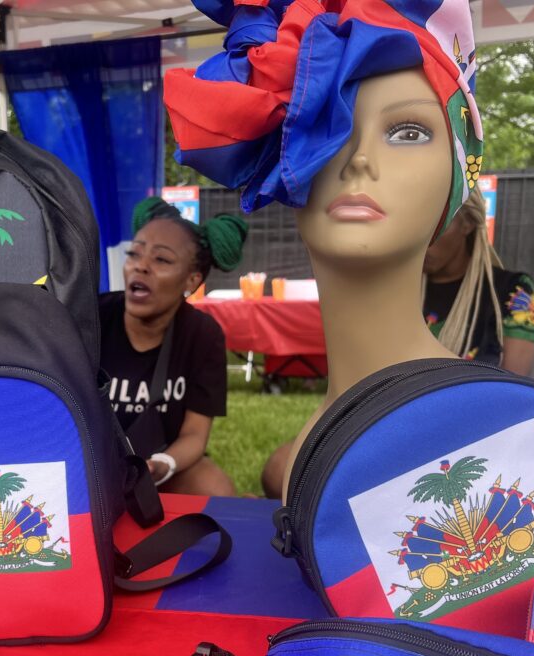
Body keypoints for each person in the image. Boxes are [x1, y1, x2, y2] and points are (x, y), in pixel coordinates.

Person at [165, 1, 486, 500]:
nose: (358, 159)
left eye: (407, 131)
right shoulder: (315, 446)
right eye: (326, 126)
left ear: (455, 172)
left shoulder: (483, 437)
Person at [99, 197, 246, 496]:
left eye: (161, 260)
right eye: (134, 254)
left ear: (191, 280)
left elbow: (195, 433)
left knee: (213, 487)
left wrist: (164, 464)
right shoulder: (92, 318)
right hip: (91, 465)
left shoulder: (203, 335)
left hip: (160, 463)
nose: (141, 266)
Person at [423, 188, 534, 374]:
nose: (421, 238)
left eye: (434, 224)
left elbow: (512, 388)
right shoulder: (399, 291)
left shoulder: (513, 291)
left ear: (467, 223)